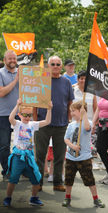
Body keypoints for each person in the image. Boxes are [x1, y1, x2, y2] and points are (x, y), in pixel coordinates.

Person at [34, 55, 74, 192]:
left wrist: (68, 119)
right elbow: (34, 102)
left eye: (58, 64)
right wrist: (35, 121)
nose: (56, 66)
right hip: (42, 124)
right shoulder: (41, 81)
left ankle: (57, 182)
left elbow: (70, 102)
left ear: (61, 66)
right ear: (48, 66)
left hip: (61, 125)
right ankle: (38, 182)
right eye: (53, 64)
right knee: (39, 155)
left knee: (59, 156)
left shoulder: (66, 82)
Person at [3, 98, 52, 207]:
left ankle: (34, 198)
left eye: (29, 115)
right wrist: (17, 105)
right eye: (25, 115)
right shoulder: (17, 124)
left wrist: (49, 109)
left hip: (29, 156)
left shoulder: (33, 124)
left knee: (37, 177)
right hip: (18, 155)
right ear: (20, 114)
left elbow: (47, 121)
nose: (27, 117)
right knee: (13, 178)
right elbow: (10, 118)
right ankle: (8, 198)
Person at [62, 101, 105, 208]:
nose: (71, 113)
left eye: (74, 111)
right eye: (71, 111)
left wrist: (84, 114)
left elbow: (87, 128)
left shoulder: (88, 123)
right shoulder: (71, 125)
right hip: (71, 157)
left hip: (84, 158)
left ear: (81, 111)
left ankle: (96, 199)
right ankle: (67, 197)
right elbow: (66, 139)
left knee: (90, 179)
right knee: (68, 179)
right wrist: (73, 146)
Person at [0, 50, 19, 179]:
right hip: (3, 114)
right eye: (10, 59)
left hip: (21, 114)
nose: (12, 61)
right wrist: (15, 81)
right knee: (4, 145)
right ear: (4, 60)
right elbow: (1, 92)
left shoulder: (22, 73)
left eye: (14, 58)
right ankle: (7, 170)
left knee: (23, 145)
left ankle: (21, 169)